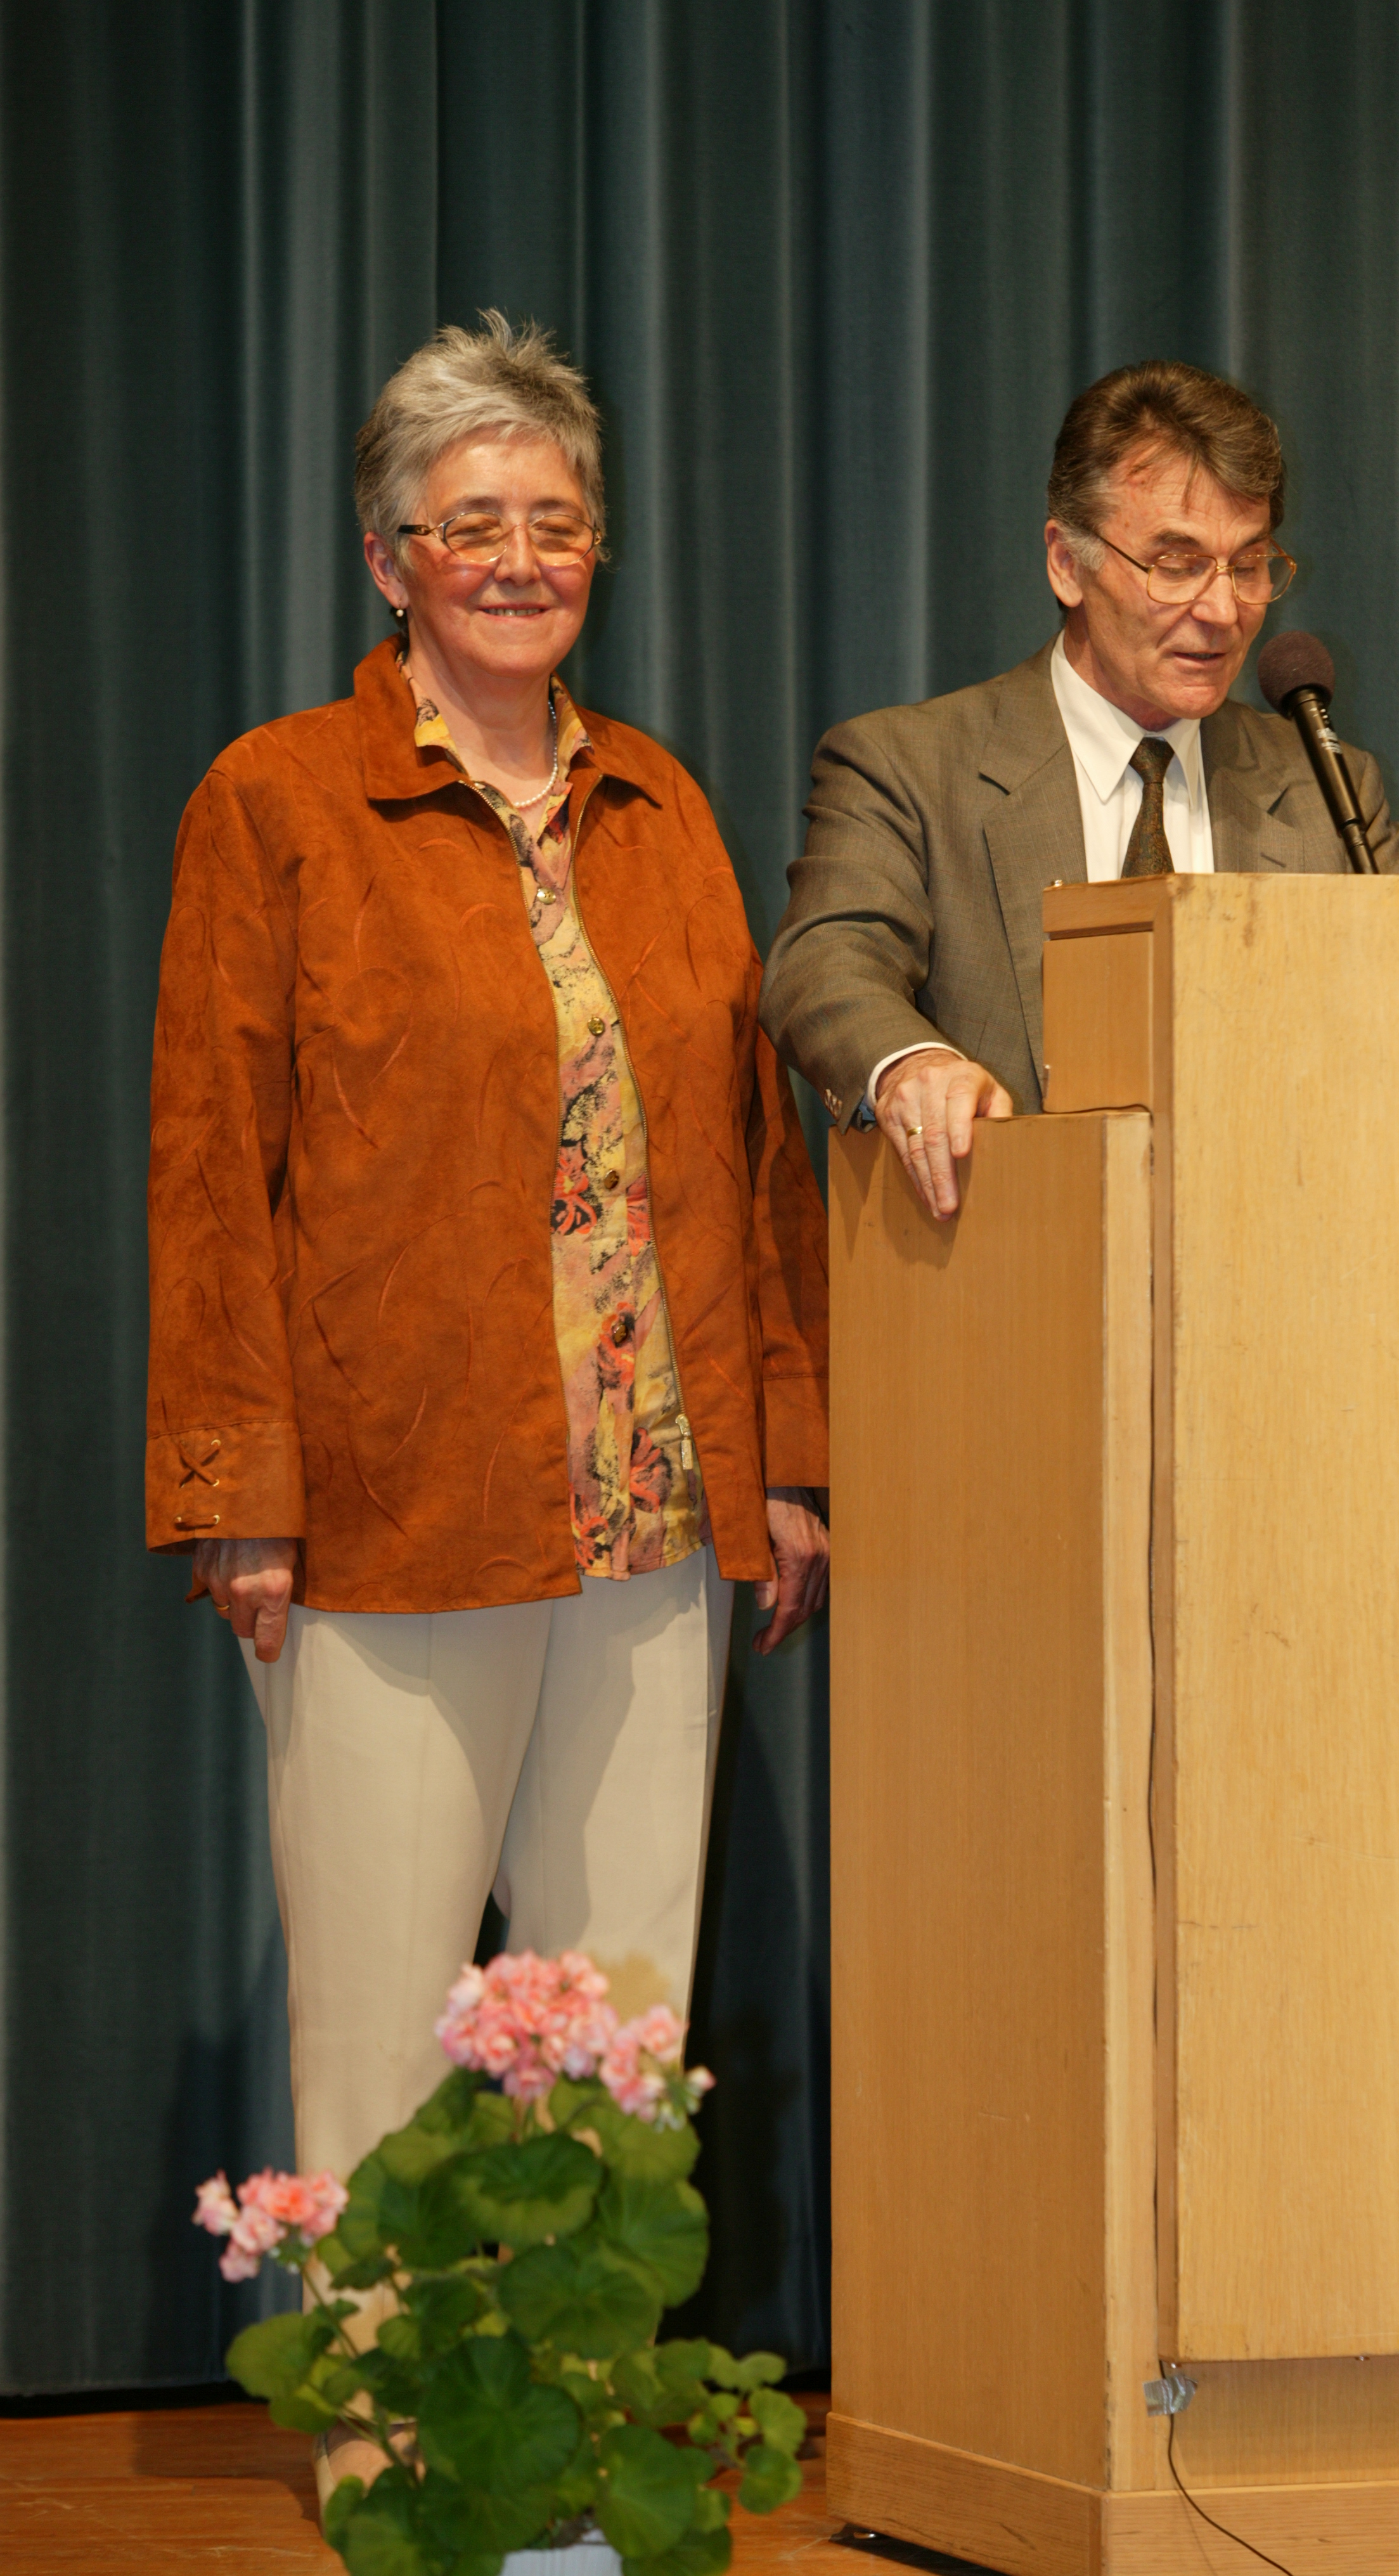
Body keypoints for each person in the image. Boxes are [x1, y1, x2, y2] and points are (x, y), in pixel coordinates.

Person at [147, 316, 830, 2484]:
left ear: (597, 550)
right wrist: (238, 1491)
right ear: (390, 558)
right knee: (384, 2030)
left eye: (554, 522)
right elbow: (211, 1169)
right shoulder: (278, 799)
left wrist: (784, 1462)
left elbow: (747, 1159)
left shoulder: (663, 807)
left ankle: (577, 2437)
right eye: (472, 526)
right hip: (391, 1512)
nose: (520, 559)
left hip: (651, 1516)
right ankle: (390, 2452)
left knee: (617, 2030)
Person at [761, 359, 1399, 1217]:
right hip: (1017, 1257)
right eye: (1177, 563)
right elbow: (825, 962)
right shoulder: (908, 768)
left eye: (1250, 564)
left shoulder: (1324, 788)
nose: (1224, 611)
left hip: (1275, 1258)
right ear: (1067, 564)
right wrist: (910, 1065)